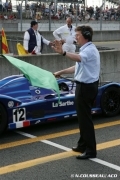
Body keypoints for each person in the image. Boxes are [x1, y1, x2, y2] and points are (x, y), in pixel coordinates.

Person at [52, 25, 100, 160]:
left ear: (85, 35)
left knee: (85, 119)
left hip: (86, 88)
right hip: (84, 87)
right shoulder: (86, 50)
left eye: (77, 35)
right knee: (82, 117)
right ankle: (82, 144)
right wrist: (60, 72)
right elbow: (77, 66)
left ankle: (91, 150)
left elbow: (78, 59)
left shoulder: (89, 50)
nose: (75, 37)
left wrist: (63, 53)